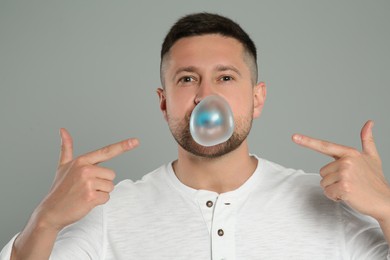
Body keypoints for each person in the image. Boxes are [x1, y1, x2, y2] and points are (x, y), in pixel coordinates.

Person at [1, 12, 390, 259]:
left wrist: (387, 208)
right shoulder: (107, 212)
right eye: (187, 79)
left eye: (225, 77)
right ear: (164, 102)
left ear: (257, 98)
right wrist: (46, 220)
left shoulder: (332, 205)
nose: (207, 96)